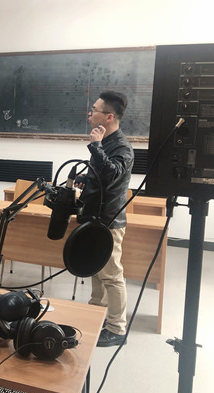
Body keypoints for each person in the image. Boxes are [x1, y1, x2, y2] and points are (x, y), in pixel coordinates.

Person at [76, 90, 134, 347]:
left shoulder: (121, 147)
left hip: (109, 221)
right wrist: (85, 179)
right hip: (95, 218)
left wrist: (96, 147)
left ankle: (117, 329)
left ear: (109, 117)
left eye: (95, 110)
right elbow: (101, 176)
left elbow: (113, 175)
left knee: (111, 274)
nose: (90, 113)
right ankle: (96, 315)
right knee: (96, 270)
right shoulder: (106, 142)